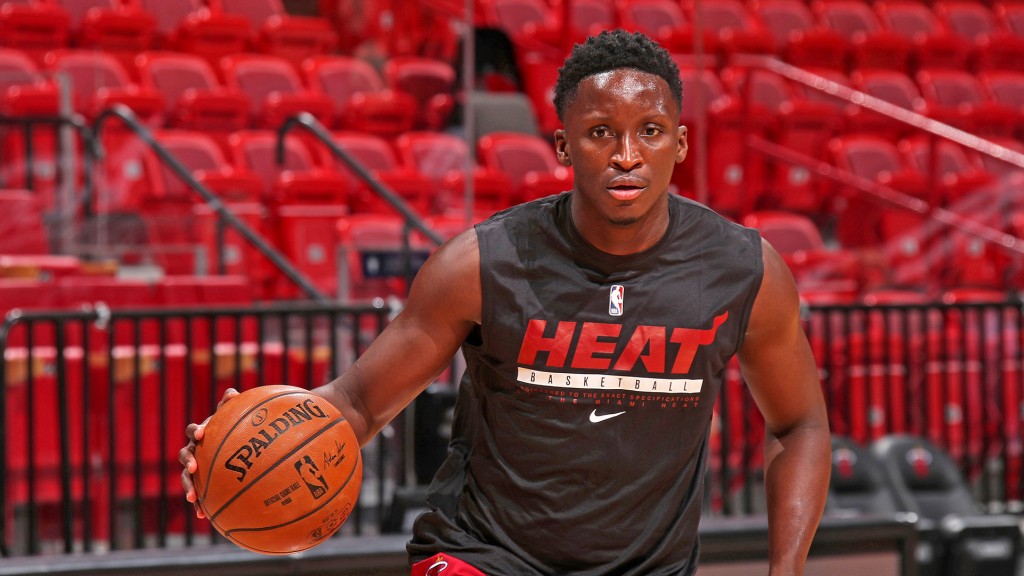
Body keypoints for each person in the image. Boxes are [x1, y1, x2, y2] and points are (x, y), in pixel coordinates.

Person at [180, 29, 831, 575]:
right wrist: (251, 438)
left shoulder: (745, 270)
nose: (627, 155)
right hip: (486, 556)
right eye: (601, 132)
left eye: (651, 131)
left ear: (681, 144)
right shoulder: (479, 264)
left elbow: (800, 424)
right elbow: (357, 402)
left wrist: (786, 571)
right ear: (564, 146)